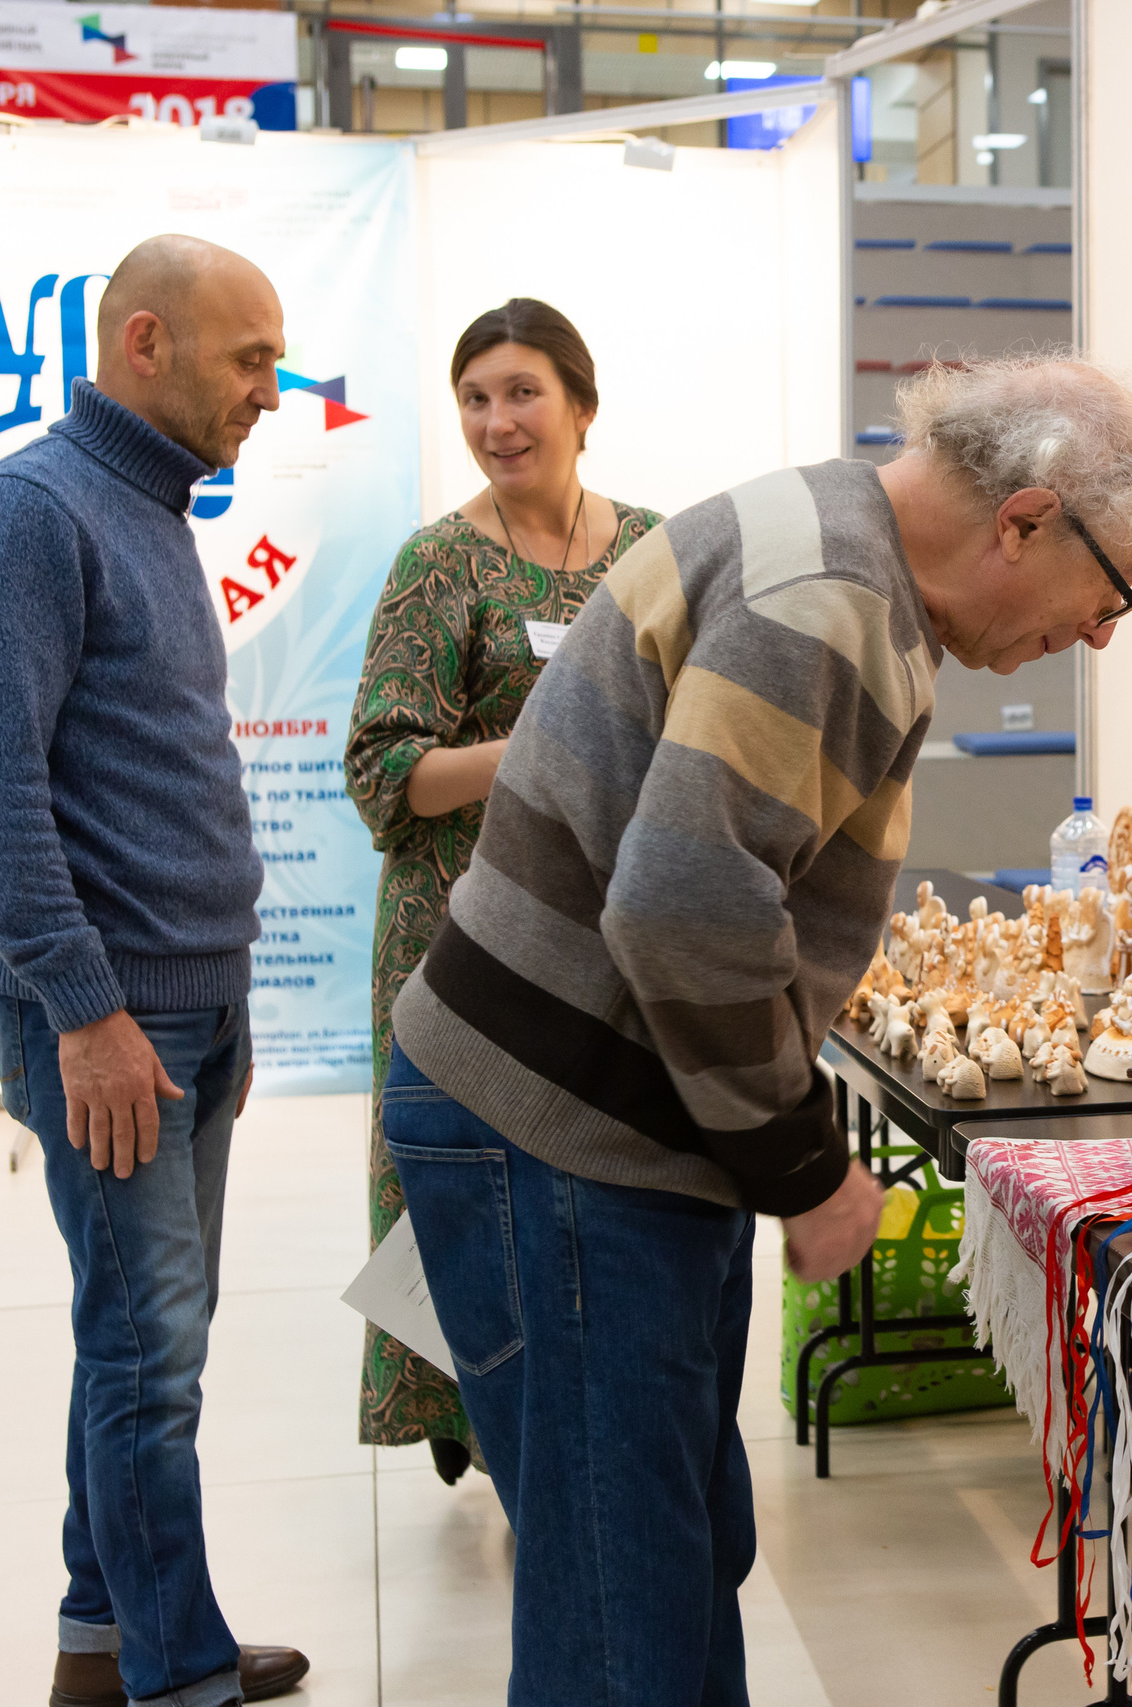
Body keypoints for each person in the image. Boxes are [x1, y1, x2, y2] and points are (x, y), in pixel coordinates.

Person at [382, 354, 1132, 1704]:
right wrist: (805, 1166)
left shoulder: (835, 532)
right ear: (1028, 519)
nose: (1102, 632)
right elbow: (688, 909)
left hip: (594, 1126)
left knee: (679, 1558)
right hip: (557, 1129)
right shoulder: (826, 601)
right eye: (1115, 588)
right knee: (618, 1607)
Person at [0, 236, 310, 1707]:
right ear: (145, 342)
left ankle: (105, 1643)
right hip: (115, 1017)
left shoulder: (149, 506)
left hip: (190, 1005)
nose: (269, 390)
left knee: (150, 1341)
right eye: (248, 359)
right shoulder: (28, 511)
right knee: (149, 1355)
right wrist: (88, 1012)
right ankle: (176, 1673)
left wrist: (223, 998)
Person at [343, 299, 662, 1485]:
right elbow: (384, 772)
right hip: (459, 934)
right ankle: (471, 1409)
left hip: (612, 934)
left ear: (582, 403)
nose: (497, 421)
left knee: (593, 1183)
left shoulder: (656, 549)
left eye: (522, 392)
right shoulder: (439, 562)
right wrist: (544, 743)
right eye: (475, 398)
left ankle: (576, 1402)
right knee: (469, 1182)